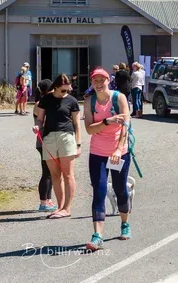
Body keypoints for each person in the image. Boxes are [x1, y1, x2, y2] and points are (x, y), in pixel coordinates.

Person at [83, 68, 132, 251]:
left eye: (102, 79)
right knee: (99, 191)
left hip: (119, 152)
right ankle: (98, 236)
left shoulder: (119, 98)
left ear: (108, 80)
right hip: (97, 152)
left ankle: (125, 223)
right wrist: (106, 122)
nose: (98, 83)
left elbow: (125, 125)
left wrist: (119, 149)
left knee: (120, 189)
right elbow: (89, 129)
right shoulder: (89, 102)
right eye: (95, 79)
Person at [32, 74, 81, 219]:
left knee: (68, 174)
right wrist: (37, 126)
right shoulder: (46, 100)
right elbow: (40, 119)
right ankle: (60, 207)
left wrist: (78, 144)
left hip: (67, 137)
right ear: (56, 87)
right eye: (63, 90)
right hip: (49, 138)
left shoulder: (72, 101)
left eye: (67, 90)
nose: (66, 93)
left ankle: (67, 208)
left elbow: (77, 124)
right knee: (55, 175)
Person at [33, 79, 57, 212]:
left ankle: (48, 199)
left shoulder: (45, 102)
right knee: (47, 172)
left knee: (52, 172)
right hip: (43, 142)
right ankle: (43, 201)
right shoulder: (40, 104)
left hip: (49, 141)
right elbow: (44, 120)